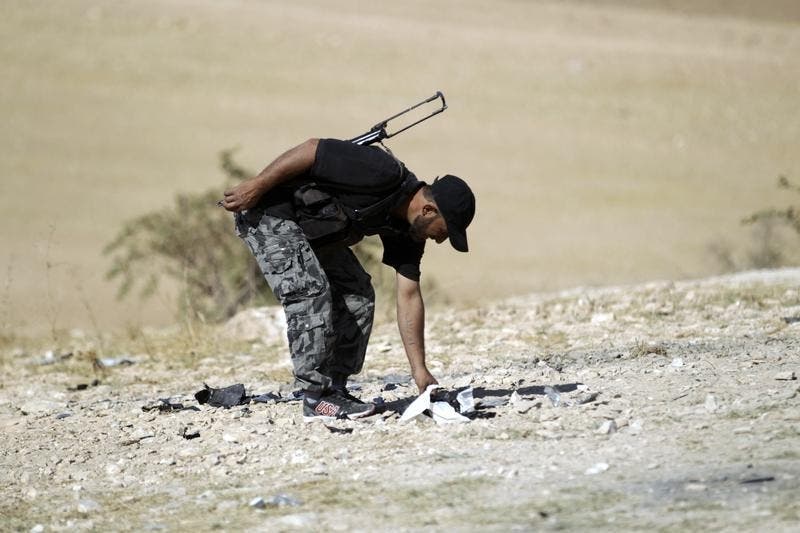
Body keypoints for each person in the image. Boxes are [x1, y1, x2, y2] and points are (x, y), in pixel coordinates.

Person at [221, 138, 475, 421]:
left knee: (358, 295)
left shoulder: (408, 233)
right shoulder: (382, 171)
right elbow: (312, 149)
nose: (440, 240)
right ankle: (316, 397)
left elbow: (409, 295)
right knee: (309, 290)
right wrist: (257, 185)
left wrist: (419, 370)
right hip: (268, 214)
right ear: (428, 210)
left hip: (309, 232)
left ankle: (335, 389)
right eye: (444, 231)